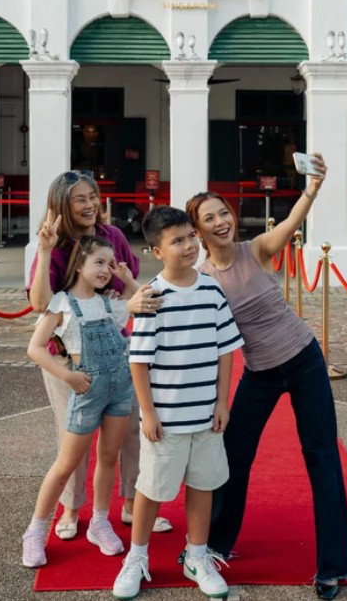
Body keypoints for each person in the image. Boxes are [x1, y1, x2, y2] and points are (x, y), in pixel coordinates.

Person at [162, 153, 347, 600]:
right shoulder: (202, 278)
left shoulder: (257, 250)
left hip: (304, 361)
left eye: (223, 213)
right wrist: (135, 300)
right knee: (232, 456)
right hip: (260, 373)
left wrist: (312, 188)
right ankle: (215, 544)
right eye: (209, 219)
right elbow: (166, 291)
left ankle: (333, 566)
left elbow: (292, 222)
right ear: (198, 231)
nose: (221, 222)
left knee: (322, 456)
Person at [28, 170, 168, 540]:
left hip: (116, 349)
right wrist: (44, 251)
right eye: (80, 199)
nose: (90, 204)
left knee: (131, 430)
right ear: (62, 204)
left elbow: (129, 286)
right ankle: (72, 508)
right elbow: (40, 304)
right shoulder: (56, 243)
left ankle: (132, 503)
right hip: (69, 357)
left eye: (93, 196)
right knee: (72, 436)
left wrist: (123, 294)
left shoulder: (112, 236)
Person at [113, 206, 241, 601]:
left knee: (203, 484)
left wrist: (222, 402)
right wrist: (148, 413)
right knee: (152, 488)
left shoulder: (212, 290)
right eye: (177, 241)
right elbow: (139, 361)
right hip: (166, 419)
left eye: (190, 237)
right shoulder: (152, 297)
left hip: (206, 414)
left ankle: (197, 556)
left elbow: (225, 350)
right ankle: (136, 557)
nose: (188, 246)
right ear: (157, 251)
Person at [21, 235, 137, 568]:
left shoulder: (109, 302)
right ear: (79, 265)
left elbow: (144, 300)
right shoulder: (62, 303)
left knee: (109, 458)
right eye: (98, 262)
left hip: (120, 390)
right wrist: (67, 376)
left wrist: (127, 278)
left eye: (109, 264)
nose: (105, 270)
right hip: (87, 394)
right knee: (66, 465)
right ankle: (35, 530)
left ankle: (100, 522)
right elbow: (35, 348)